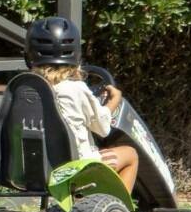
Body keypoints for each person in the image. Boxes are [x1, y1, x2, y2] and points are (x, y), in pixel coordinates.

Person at [25, 16, 142, 192]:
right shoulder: (76, 89)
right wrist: (112, 102)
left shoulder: (24, 90)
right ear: (76, 55)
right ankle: (116, 207)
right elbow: (102, 128)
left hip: (36, 168)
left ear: (29, 55)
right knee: (130, 154)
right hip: (77, 168)